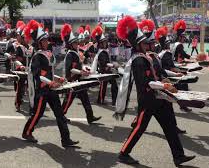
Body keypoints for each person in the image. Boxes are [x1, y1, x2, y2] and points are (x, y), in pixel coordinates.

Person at [115, 16, 195, 166]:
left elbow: (155, 76)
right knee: (139, 128)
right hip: (147, 100)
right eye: (145, 43)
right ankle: (123, 154)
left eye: (147, 43)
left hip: (158, 98)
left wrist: (164, 81)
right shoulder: (138, 60)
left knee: (170, 126)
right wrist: (164, 86)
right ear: (138, 45)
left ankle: (178, 156)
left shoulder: (146, 57)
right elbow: (146, 83)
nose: (148, 45)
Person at [21, 20, 79, 147]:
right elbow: (38, 76)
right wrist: (51, 83)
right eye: (45, 40)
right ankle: (26, 132)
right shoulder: (37, 56)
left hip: (51, 89)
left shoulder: (49, 54)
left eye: (47, 40)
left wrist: (58, 79)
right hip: (42, 90)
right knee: (37, 114)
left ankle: (66, 139)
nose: (47, 42)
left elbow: (50, 73)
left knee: (60, 114)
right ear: (39, 42)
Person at [60, 23, 101, 124]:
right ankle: (60, 116)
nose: (76, 44)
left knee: (85, 99)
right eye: (74, 43)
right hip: (72, 81)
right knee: (68, 100)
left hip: (79, 80)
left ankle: (90, 117)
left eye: (76, 43)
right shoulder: (70, 54)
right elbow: (70, 69)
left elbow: (79, 65)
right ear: (70, 44)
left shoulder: (76, 53)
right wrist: (80, 71)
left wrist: (84, 69)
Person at [90, 25, 118, 106]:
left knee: (114, 85)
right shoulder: (101, 52)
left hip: (108, 71)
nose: (106, 43)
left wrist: (112, 66)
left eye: (106, 42)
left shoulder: (104, 51)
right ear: (101, 44)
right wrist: (113, 65)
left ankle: (114, 100)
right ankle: (101, 100)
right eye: (104, 42)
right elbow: (104, 64)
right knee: (103, 86)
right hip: (103, 71)